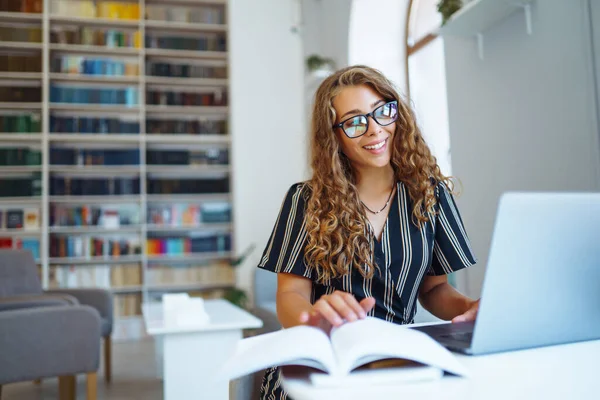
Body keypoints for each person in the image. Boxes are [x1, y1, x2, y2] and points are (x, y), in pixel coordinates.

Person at [257, 65, 479, 399]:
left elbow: (434, 291)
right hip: (324, 361)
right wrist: (312, 317)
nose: (375, 130)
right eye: (355, 121)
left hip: (401, 362)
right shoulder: (305, 199)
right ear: (334, 136)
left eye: (382, 112)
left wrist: (472, 309)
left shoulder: (430, 195)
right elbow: (290, 294)